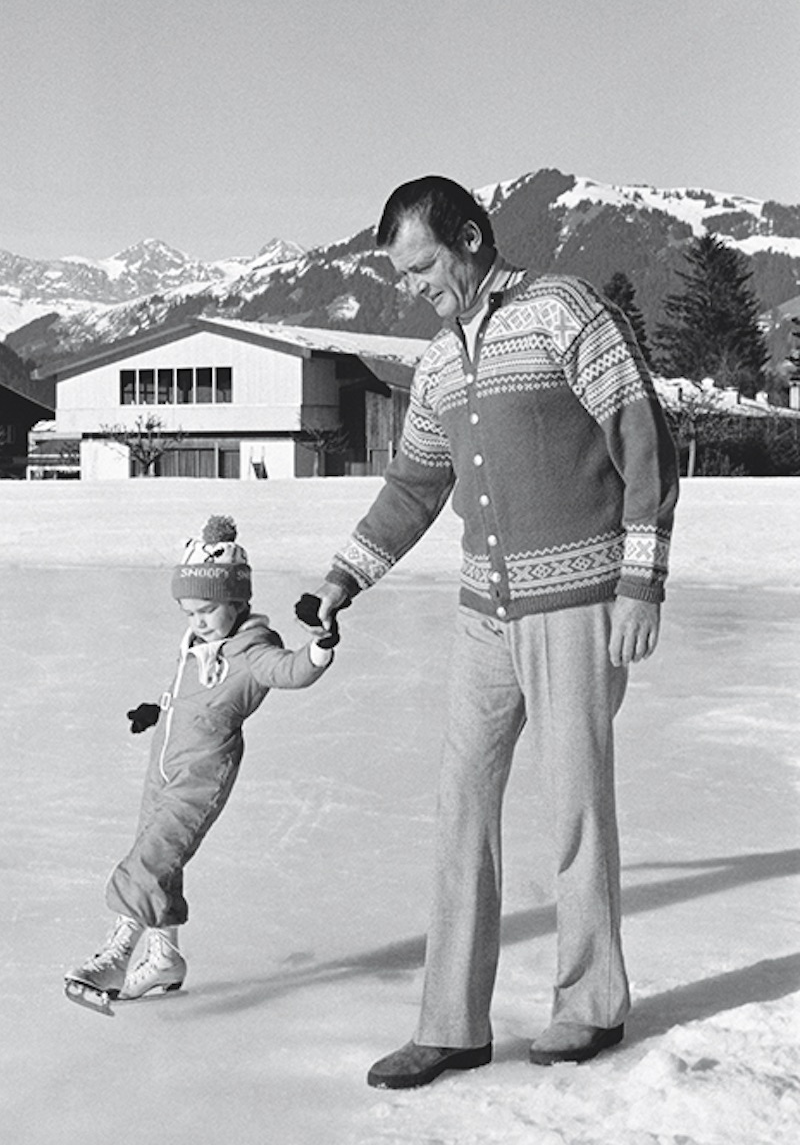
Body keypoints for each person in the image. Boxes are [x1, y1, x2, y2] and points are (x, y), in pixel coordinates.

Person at [311, 176, 679, 1088]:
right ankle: (452, 1025)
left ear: (471, 237)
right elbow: (414, 487)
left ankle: (590, 1005)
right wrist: (345, 574)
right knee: (461, 806)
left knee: (575, 808)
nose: (416, 285)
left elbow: (643, 441)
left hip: (580, 604)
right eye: (403, 272)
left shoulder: (564, 312)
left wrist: (641, 584)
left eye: (424, 264)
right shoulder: (438, 361)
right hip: (485, 613)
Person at [64, 514, 338, 1012]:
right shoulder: (199, 643)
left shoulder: (253, 649)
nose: (198, 621)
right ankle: (164, 956)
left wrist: (319, 646)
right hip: (165, 762)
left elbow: (290, 671)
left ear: (237, 602)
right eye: (189, 612)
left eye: (207, 610)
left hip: (201, 773)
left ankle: (116, 957)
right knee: (159, 854)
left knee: (150, 859)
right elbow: (193, 691)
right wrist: (159, 709)